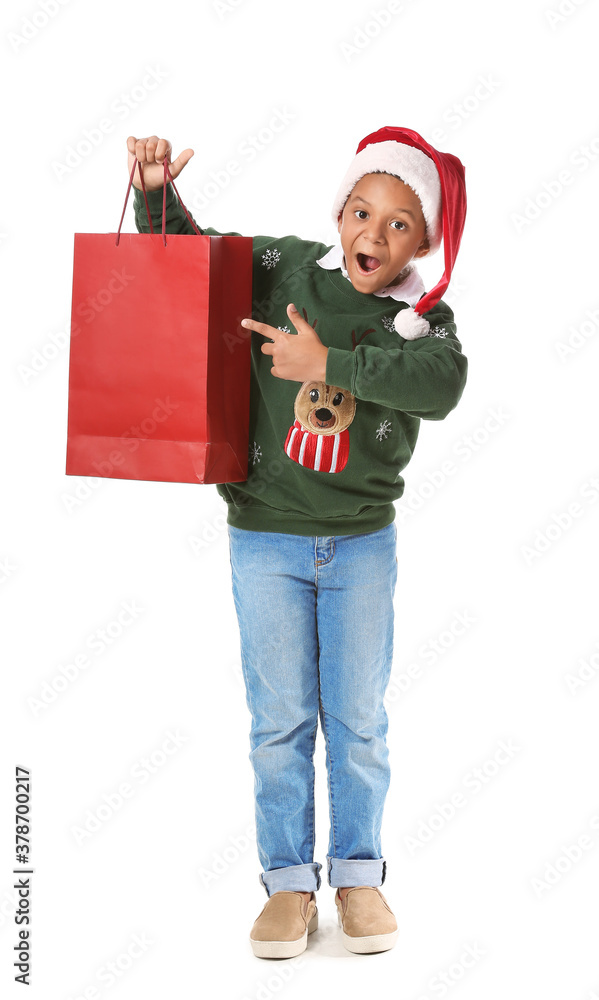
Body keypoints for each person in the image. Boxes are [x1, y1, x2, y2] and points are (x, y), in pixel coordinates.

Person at [126, 128, 468, 959]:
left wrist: (330, 363)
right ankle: (287, 888)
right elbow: (191, 262)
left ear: (424, 242)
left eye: (398, 224)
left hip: (360, 546)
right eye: (362, 212)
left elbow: (442, 387)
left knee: (357, 722)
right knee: (279, 721)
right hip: (265, 539)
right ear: (338, 212)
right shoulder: (282, 268)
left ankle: (357, 878)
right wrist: (155, 195)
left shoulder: (417, 323)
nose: (373, 236)